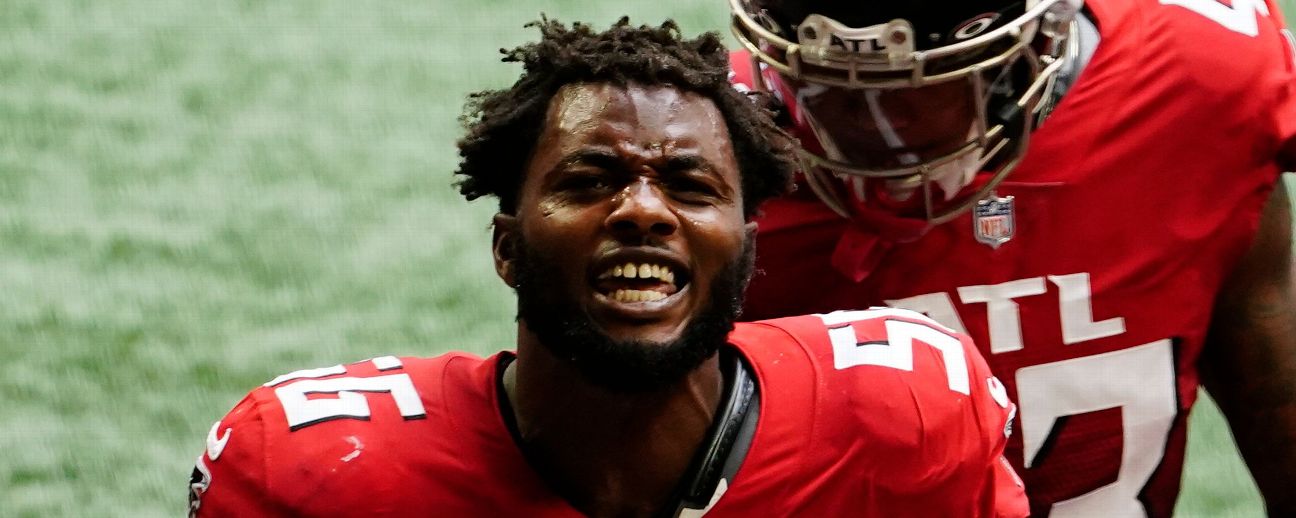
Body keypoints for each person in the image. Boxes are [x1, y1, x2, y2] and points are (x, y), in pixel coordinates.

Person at [186, 18, 1028, 518]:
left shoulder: (904, 410)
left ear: (748, 247)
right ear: (507, 248)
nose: (642, 210)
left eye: (690, 185)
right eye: (590, 181)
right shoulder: (313, 472)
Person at [726, 0, 1296, 515]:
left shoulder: (1190, 83)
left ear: (1048, 29)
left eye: (922, 83)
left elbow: (1276, 404)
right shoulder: (698, 173)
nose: (881, 128)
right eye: (828, 81)